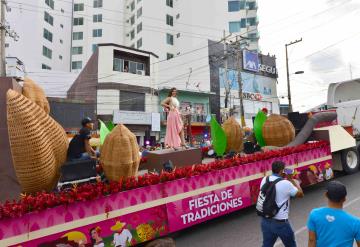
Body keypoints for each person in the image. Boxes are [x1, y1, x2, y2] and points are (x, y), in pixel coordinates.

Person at [260, 161, 304, 247]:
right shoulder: (286, 183)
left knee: (267, 245)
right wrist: (291, 178)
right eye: (284, 169)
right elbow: (301, 194)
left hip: (265, 221)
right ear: (281, 171)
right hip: (281, 224)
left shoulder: (265, 179)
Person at [307, 181, 360, 247]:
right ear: (344, 198)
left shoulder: (314, 214)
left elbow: (312, 240)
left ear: (326, 195)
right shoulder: (356, 222)